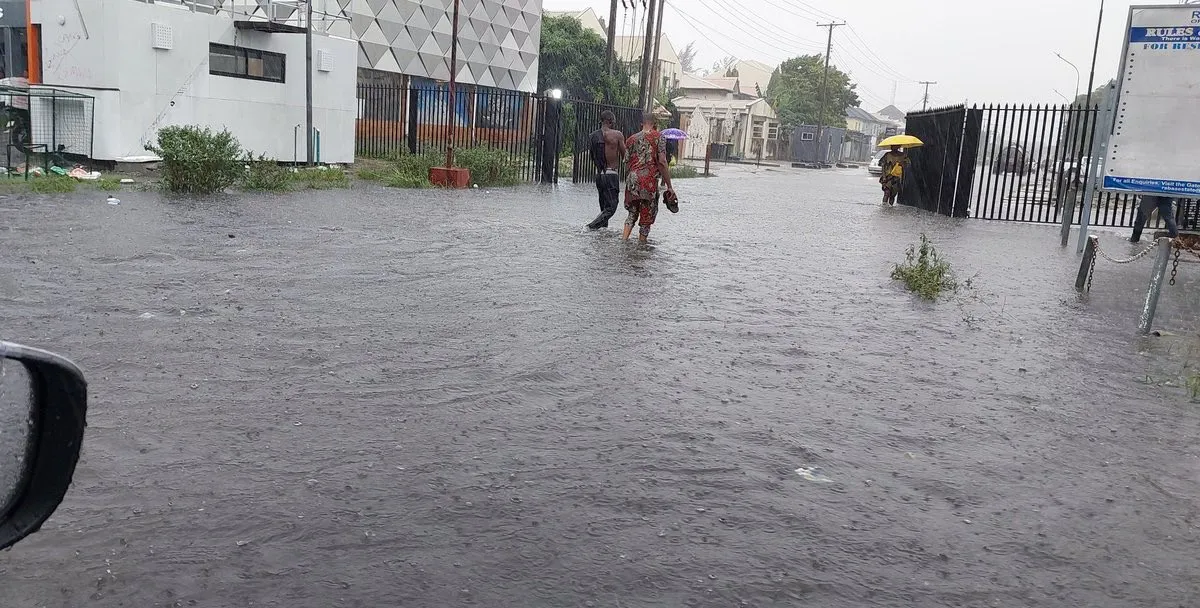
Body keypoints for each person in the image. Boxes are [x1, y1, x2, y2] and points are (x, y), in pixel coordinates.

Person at [622, 112, 674, 244]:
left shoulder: (631, 139)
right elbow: (662, 161)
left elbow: (627, 162)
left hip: (632, 180)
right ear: (655, 124)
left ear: (641, 124)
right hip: (648, 181)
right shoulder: (659, 137)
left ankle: (623, 241)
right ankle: (641, 247)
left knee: (632, 214)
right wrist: (669, 186)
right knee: (646, 216)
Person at [586, 111, 626, 230]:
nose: (614, 122)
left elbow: (592, 156)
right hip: (611, 175)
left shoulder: (593, 136)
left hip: (600, 175)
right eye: (613, 120)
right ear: (609, 120)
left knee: (603, 209)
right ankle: (590, 227)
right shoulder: (617, 135)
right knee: (611, 208)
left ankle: (603, 236)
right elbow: (626, 156)